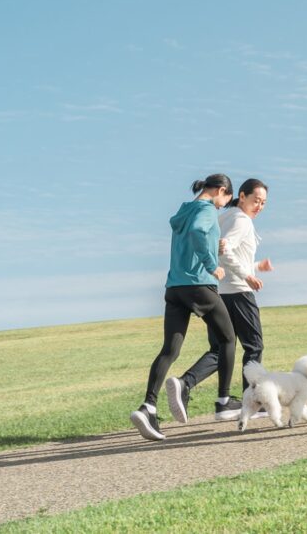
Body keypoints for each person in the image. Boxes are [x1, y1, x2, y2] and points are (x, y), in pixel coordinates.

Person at [130, 174, 239, 441]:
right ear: (221, 191)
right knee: (228, 339)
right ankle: (224, 400)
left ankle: (148, 407)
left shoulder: (184, 210)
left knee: (170, 349)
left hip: (174, 287)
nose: (222, 206)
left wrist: (214, 248)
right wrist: (211, 264)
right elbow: (198, 232)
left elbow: (193, 235)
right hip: (199, 284)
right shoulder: (206, 209)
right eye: (224, 202)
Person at [169, 178, 273, 420]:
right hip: (239, 292)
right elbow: (223, 249)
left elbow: (223, 253)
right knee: (254, 346)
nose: (259, 206)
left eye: (264, 203)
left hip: (219, 291)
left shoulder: (224, 217)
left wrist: (256, 266)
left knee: (221, 348)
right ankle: (254, 401)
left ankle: (186, 383)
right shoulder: (242, 220)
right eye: (256, 200)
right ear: (242, 196)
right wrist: (247, 275)